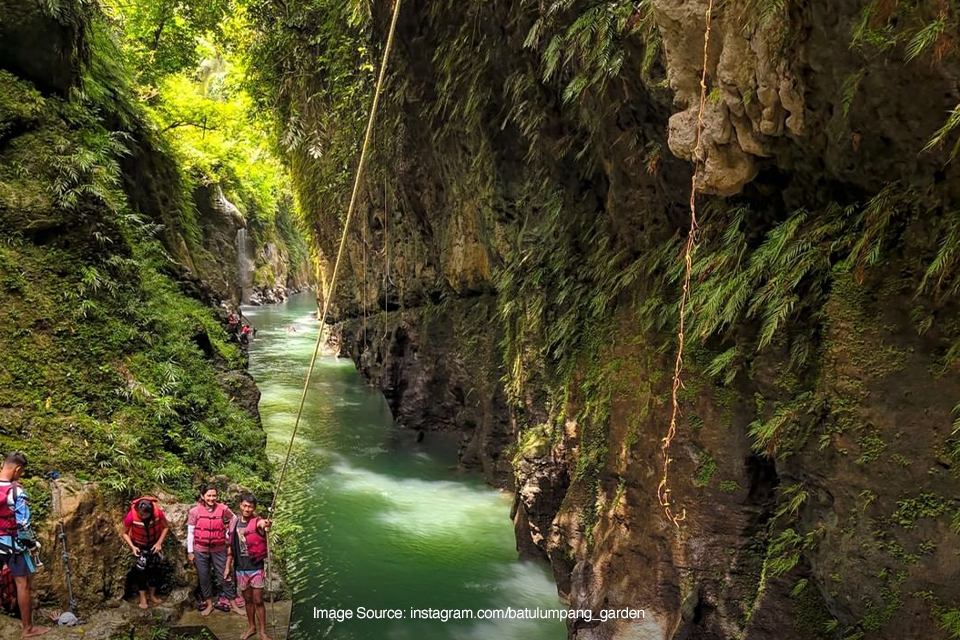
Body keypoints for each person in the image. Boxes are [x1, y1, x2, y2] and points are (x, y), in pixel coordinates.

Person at [0, 451, 49, 637]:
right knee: (23, 584)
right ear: (17, 469)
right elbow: (23, 525)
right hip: (13, 545)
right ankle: (27, 629)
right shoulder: (17, 492)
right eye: (21, 473)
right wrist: (32, 544)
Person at [187, 484, 243, 616]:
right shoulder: (194, 511)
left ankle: (233, 604)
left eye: (214, 495)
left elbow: (234, 519)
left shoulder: (223, 509)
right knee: (204, 576)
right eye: (209, 495)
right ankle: (209, 604)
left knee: (225, 575)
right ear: (202, 496)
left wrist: (228, 533)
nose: (212, 498)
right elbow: (190, 532)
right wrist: (190, 552)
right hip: (200, 549)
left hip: (219, 548)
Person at [225, 494, 273, 640]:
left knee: (258, 600)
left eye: (250, 507)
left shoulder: (256, 521)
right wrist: (227, 567)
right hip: (240, 568)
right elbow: (230, 549)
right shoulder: (234, 523)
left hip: (255, 567)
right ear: (240, 505)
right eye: (245, 506)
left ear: (254, 508)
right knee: (247, 599)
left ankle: (263, 631)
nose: (247, 509)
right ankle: (251, 627)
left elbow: (262, 524)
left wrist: (267, 523)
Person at [121, 496, 169, 609]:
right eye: (141, 514)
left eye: (146, 515)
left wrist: (159, 543)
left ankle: (152, 595)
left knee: (155, 569)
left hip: (154, 544)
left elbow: (166, 527)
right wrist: (132, 547)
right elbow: (124, 533)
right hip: (139, 545)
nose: (143, 517)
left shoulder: (158, 514)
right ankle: (143, 597)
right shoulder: (130, 517)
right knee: (141, 570)